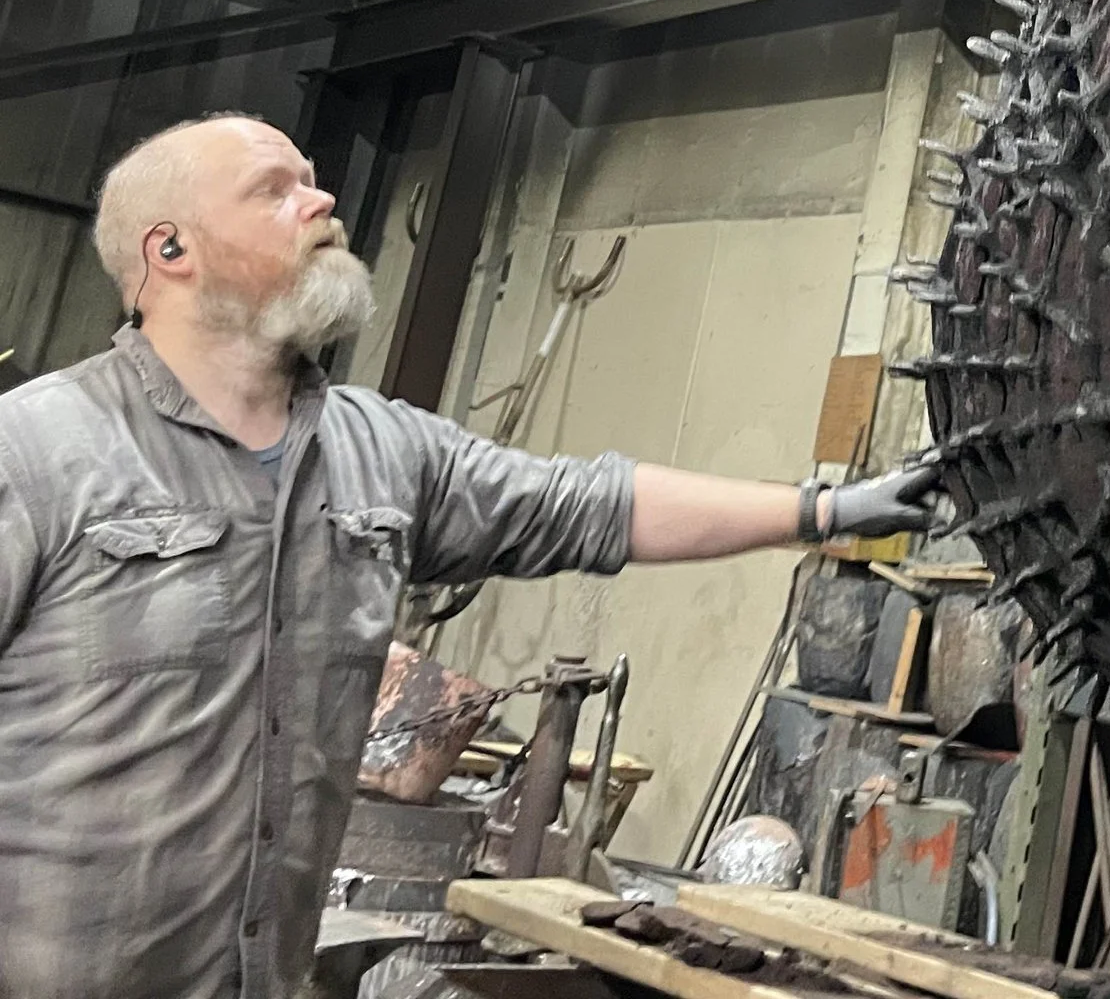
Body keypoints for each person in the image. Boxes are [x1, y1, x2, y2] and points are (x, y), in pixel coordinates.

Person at [0, 113, 942, 999]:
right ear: (170, 251)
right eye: (274, 190)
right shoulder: (37, 452)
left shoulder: (381, 451)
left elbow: (585, 503)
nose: (321, 202)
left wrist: (826, 509)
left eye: (314, 181)